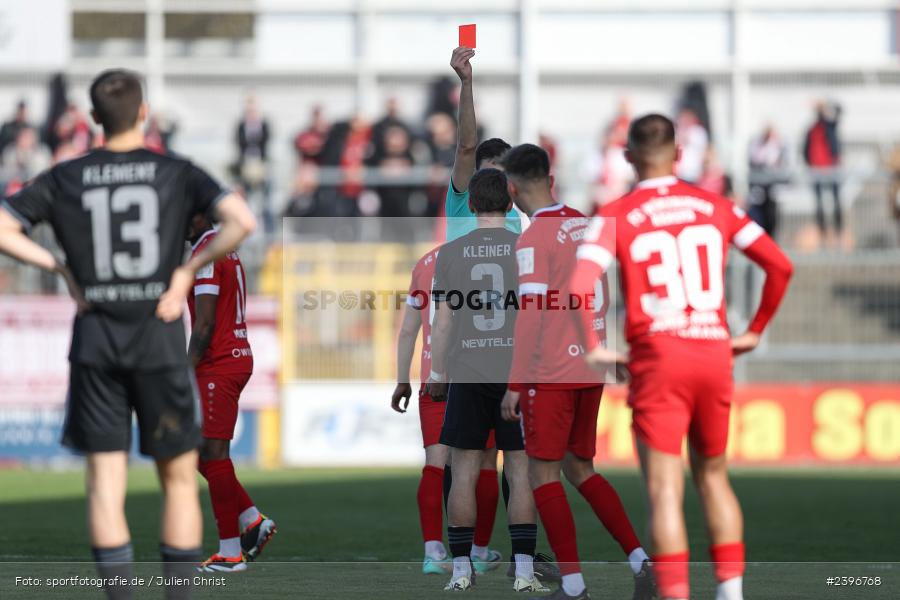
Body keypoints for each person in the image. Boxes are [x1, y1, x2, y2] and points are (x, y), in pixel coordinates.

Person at [0, 69, 257, 599]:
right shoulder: (177, 172)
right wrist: (187, 270)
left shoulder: (67, 174)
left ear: (94, 119)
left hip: (96, 342)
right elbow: (240, 221)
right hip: (159, 340)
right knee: (180, 480)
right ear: (143, 113)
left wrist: (59, 268)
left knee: (105, 484)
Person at [570, 114, 793, 600]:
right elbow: (780, 264)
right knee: (713, 477)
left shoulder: (613, 214)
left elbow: (578, 286)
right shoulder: (716, 205)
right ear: (679, 154)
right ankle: (730, 593)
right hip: (713, 350)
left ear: (628, 158)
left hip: (658, 356)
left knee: (665, 490)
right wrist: (753, 331)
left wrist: (593, 347)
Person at [500, 143, 654, 600]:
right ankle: (640, 560)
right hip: (590, 365)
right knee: (581, 467)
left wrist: (515, 384)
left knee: (541, 476)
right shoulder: (587, 225)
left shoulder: (533, 240)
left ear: (511, 190)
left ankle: (573, 585)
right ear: (550, 177)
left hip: (550, 370)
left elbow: (530, 315)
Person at [426, 168, 547, 594]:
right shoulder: (524, 248)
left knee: (462, 470)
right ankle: (525, 573)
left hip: (468, 370)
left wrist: (437, 375)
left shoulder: (452, 252)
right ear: (510, 204)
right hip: (515, 373)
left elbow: (443, 322)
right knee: (519, 469)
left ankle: (461, 571)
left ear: (472, 205)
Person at [186, 214, 277, 572]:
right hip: (232, 356)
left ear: (195, 216)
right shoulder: (219, 248)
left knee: (213, 451)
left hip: (218, 362)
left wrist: (184, 369)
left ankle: (231, 553)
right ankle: (252, 520)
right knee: (195, 450)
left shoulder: (207, 253)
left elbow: (205, 322)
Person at [445, 45, 520, 242]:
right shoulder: (461, 203)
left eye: (499, 177)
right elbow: (466, 148)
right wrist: (466, 82)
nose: (492, 184)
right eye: (487, 176)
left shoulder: (516, 214)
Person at [803, 101, 843, 244]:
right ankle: (823, 235)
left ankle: (838, 234)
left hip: (831, 169)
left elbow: (840, 110)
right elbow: (805, 150)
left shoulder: (830, 126)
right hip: (817, 171)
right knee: (819, 205)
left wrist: (826, 102)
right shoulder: (811, 130)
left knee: (837, 202)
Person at [748, 125, 787, 237]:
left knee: (772, 213)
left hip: (773, 185)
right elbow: (756, 159)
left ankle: (772, 236)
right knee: (760, 212)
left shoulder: (778, 145)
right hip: (760, 185)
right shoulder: (758, 145)